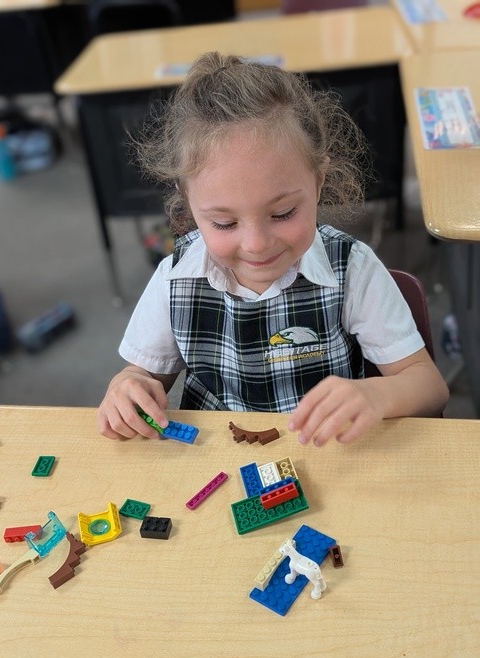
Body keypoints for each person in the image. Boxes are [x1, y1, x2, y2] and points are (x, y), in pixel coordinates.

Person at [98, 52, 448, 446]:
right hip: (216, 461)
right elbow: (143, 376)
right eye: (224, 223)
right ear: (189, 200)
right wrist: (128, 387)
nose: (256, 244)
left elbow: (429, 387)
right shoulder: (175, 279)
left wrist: (376, 395)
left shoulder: (351, 269)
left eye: (282, 213)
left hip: (326, 457)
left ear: (318, 181)